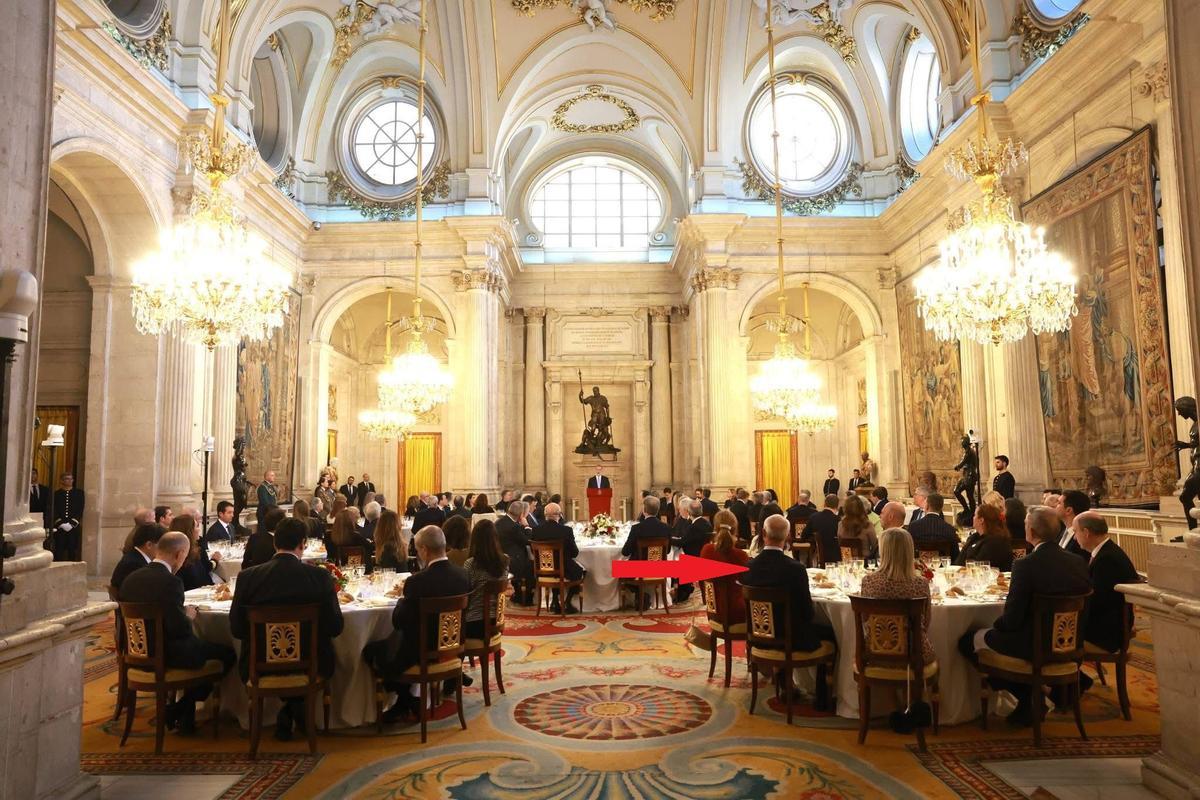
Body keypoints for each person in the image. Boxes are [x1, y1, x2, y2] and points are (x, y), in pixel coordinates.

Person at [959, 506, 1091, 726]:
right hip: (1069, 643)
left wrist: (992, 625)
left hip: (1030, 645)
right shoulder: (1078, 562)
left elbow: (1011, 621)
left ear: (1031, 531)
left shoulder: (1025, 565)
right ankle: (1047, 693)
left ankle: (1027, 695)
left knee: (966, 641)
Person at [230, 518, 345, 740]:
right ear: (303, 544)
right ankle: (296, 708)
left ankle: (290, 710)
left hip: (258, 665)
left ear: (275, 543)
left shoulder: (248, 577)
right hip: (312, 663)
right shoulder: (319, 576)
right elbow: (335, 627)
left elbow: (237, 629)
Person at [119, 531, 236, 734]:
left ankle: (183, 716)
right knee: (227, 653)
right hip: (169, 654)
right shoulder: (171, 582)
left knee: (198, 646)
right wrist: (187, 616)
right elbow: (179, 629)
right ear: (180, 554)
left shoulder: (131, 579)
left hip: (135, 653)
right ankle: (178, 709)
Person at [369, 525, 472, 722]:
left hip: (420, 651)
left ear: (424, 550)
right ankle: (407, 701)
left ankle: (406, 700)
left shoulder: (417, 582)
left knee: (371, 651)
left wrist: (401, 600)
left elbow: (399, 621)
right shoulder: (462, 575)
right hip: (453, 646)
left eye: (417, 550)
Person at [740, 514, 835, 710]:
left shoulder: (749, 567)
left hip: (758, 636)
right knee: (833, 634)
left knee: (787, 624)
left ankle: (786, 683)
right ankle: (822, 696)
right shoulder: (796, 569)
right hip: (793, 639)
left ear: (763, 534)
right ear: (788, 536)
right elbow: (807, 613)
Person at [861, 528, 935, 667]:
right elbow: (925, 622)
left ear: (883, 551)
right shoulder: (920, 584)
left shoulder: (868, 581)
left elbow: (865, 619)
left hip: (875, 650)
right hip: (914, 653)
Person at [1074, 512, 1139, 656]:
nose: (1074, 537)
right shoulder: (1106, 551)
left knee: (1052, 640)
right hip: (1103, 626)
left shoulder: (1107, 559)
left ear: (1086, 533)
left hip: (1105, 635)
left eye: (1075, 531)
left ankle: (1073, 671)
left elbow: (1097, 602)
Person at [530, 503, 584, 613]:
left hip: (543, 570)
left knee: (556, 568)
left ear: (545, 515)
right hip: (563, 570)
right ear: (559, 515)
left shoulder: (536, 530)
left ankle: (555, 601)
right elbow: (575, 553)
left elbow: (533, 552)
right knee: (581, 571)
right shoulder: (566, 531)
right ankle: (567, 602)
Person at [463, 518, 510, 643]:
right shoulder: (505, 561)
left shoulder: (471, 564)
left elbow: (466, 592)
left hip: (474, 623)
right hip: (497, 620)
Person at [698, 510, 749, 624]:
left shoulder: (706, 550)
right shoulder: (741, 555)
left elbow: (702, 583)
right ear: (735, 530)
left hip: (713, 611)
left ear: (715, 528)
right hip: (738, 613)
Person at [672, 499, 714, 601]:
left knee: (675, 560)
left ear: (689, 512)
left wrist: (669, 539)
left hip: (693, 556)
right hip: (702, 554)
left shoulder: (694, 526)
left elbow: (682, 542)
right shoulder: (707, 524)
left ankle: (682, 592)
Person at [496, 501, 534, 605]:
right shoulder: (514, 526)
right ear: (521, 514)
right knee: (533, 566)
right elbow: (528, 540)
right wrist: (526, 526)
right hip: (513, 560)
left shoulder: (499, 522)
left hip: (501, 557)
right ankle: (527, 598)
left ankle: (518, 593)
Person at [955, 504, 1014, 571]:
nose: (973, 518)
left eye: (975, 515)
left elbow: (979, 566)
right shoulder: (975, 537)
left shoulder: (995, 542)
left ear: (981, 520)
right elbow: (958, 562)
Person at [170, 515, 221, 591]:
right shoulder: (182, 556)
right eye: (197, 526)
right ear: (189, 531)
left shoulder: (194, 551)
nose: (199, 529)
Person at [111, 522, 164, 590]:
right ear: (149, 545)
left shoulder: (135, 556)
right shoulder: (135, 564)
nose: (165, 548)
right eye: (162, 545)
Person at [908, 493, 960, 561]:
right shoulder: (950, 529)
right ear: (941, 508)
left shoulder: (913, 526)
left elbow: (908, 550)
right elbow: (955, 556)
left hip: (919, 566)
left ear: (927, 506)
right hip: (942, 566)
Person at [51, 472, 84, 562]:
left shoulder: (79, 493)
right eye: (66, 479)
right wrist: (60, 523)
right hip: (60, 527)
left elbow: (80, 509)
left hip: (73, 527)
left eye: (71, 479)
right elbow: (54, 509)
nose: (69, 481)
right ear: (62, 481)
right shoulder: (56, 494)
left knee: (72, 551)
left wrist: (72, 523)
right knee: (59, 551)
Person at [802, 494, 842, 565]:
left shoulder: (814, 517)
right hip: (836, 557)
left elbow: (804, 535)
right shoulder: (838, 520)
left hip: (818, 556)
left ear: (824, 504)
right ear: (837, 506)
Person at [838, 494, 878, 558]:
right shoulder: (867, 525)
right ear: (862, 508)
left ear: (845, 509)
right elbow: (875, 546)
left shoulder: (841, 525)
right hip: (864, 560)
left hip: (846, 560)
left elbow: (840, 543)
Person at [1057, 490, 1090, 558]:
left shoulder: (1083, 538)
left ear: (1068, 510)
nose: (1055, 506)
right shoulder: (1061, 530)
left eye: (1059, 503)